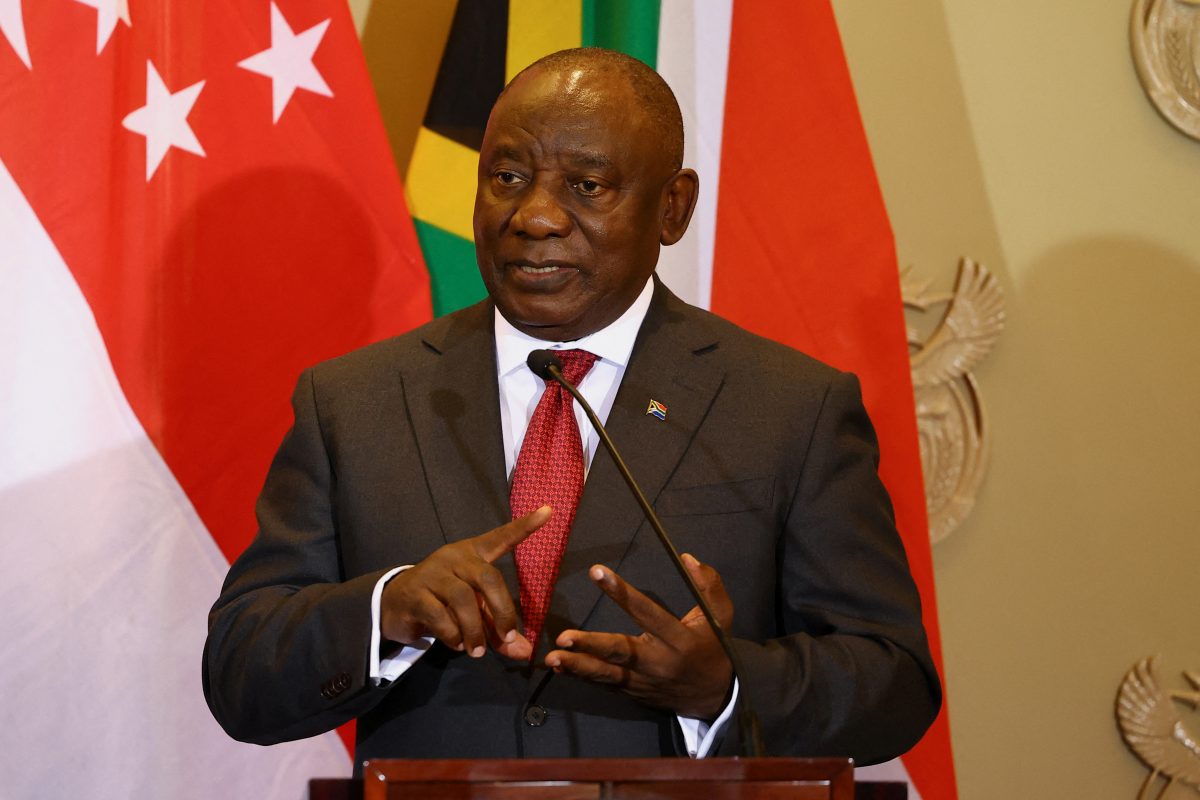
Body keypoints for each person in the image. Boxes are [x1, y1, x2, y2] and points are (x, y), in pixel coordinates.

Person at [203, 47, 940, 764]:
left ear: (672, 208)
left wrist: (725, 686)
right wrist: (387, 608)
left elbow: (894, 681)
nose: (534, 216)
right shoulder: (353, 402)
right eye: (507, 176)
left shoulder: (791, 408)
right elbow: (240, 673)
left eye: (586, 186)